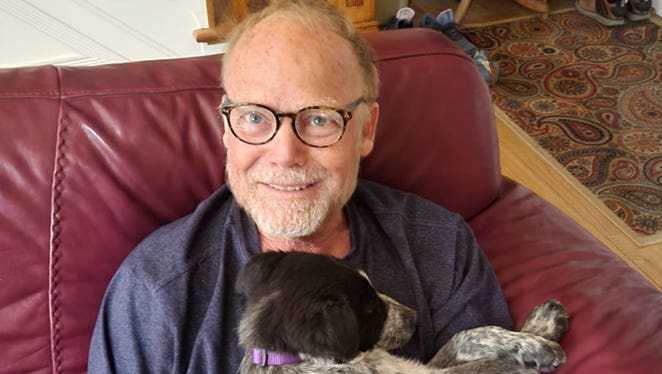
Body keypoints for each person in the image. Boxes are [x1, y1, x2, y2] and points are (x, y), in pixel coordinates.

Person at [88, 1, 512, 372]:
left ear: (367, 129)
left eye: (320, 118)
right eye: (254, 117)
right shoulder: (155, 292)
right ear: (226, 127)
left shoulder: (439, 248)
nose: (285, 154)